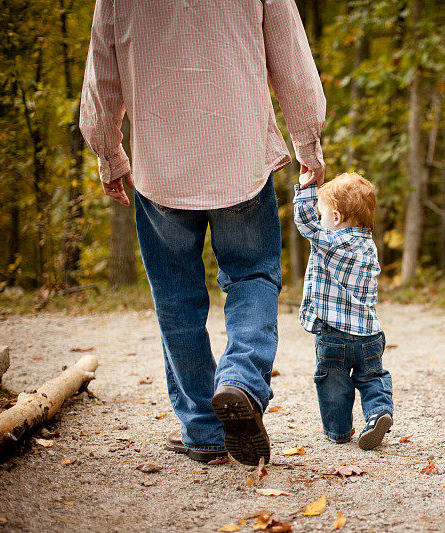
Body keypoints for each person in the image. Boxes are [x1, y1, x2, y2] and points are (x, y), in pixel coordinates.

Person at [79, 0, 326, 466]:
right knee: (252, 275)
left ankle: (204, 431)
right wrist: (308, 143)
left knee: (177, 298)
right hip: (241, 155)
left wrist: (108, 153)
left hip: (160, 164)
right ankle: (242, 381)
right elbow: (291, 59)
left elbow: (102, 73)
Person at [293, 172, 394, 450]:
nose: (320, 219)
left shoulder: (332, 241)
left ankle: (338, 431)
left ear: (335, 218)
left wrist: (305, 191)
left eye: (322, 214)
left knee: (332, 383)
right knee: (372, 377)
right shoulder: (369, 246)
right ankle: (378, 414)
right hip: (370, 335)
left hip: (334, 336)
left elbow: (305, 223)